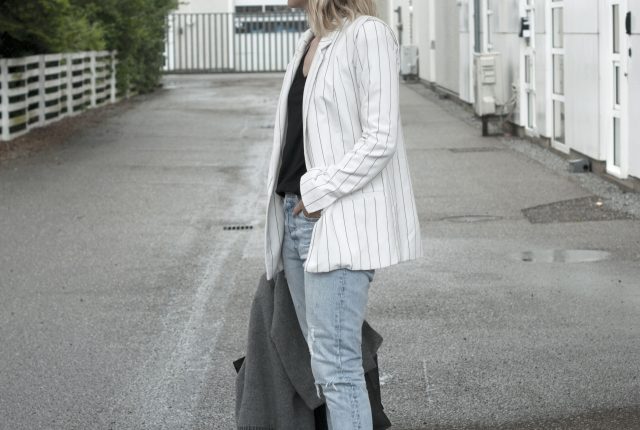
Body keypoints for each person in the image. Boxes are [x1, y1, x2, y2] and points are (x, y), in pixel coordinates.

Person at [263, 0, 423, 428]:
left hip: (333, 219)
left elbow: (381, 137)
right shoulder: (309, 42)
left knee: (336, 365)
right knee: (323, 361)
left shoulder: (368, 34)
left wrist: (319, 190)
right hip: (295, 217)